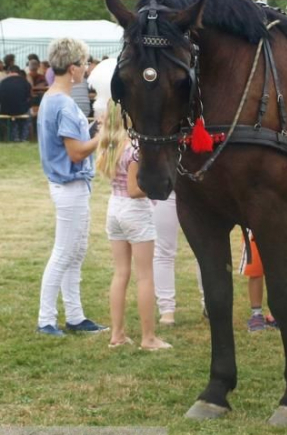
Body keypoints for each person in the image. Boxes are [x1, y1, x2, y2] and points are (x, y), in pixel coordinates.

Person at [35, 37, 107, 336]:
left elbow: (72, 144)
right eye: (85, 63)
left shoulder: (51, 98)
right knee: (65, 252)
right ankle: (46, 318)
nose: (87, 68)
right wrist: (103, 138)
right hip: (70, 184)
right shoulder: (63, 103)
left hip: (68, 183)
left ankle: (74, 316)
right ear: (74, 68)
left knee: (74, 252)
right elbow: (76, 151)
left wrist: (94, 130)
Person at [96, 99, 171, 350]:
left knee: (120, 273)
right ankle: (148, 337)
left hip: (114, 208)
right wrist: (157, 188)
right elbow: (134, 190)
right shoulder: (134, 149)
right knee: (144, 276)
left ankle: (117, 334)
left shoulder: (109, 146)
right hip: (135, 211)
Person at [241, 230, 278, 331]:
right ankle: (256, 314)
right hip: (254, 224)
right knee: (255, 269)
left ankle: (277, 315)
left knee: (281, 269)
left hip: (281, 221)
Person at [0, 65, 32, 142]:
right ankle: (23, 137)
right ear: (18, 72)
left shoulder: (2, 83)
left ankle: (13, 136)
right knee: (27, 114)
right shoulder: (25, 82)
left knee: (11, 119)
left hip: (5, 110)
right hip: (21, 110)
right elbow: (29, 97)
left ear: (9, 72)